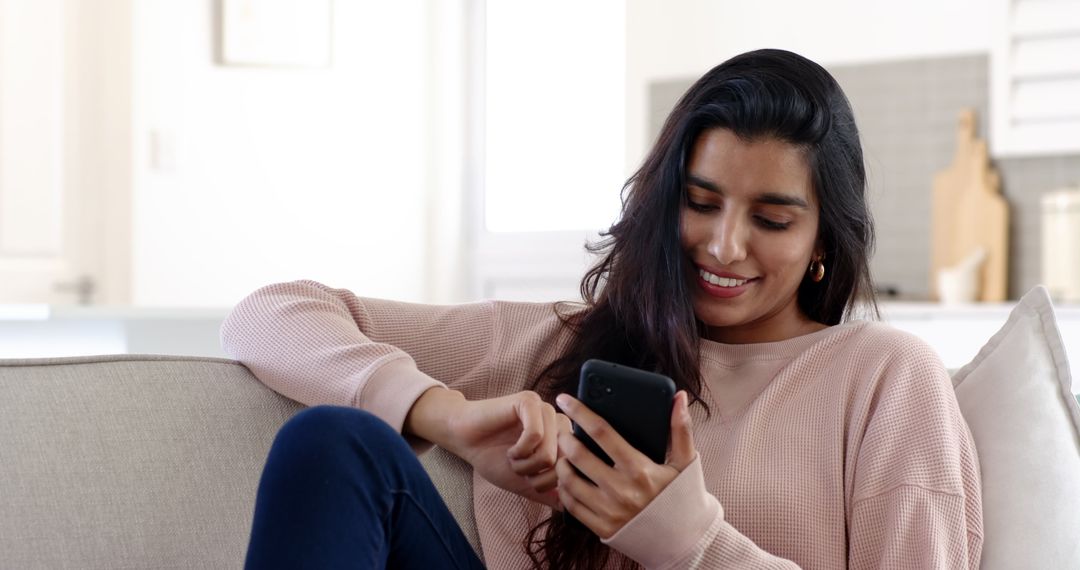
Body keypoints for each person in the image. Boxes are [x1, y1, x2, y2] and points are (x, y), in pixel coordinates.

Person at [222, 48, 983, 569]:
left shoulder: (884, 377)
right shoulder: (566, 340)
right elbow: (273, 312)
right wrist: (442, 414)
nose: (723, 246)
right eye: (700, 203)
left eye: (772, 219)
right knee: (334, 444)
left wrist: (690, 541)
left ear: (823, 238)